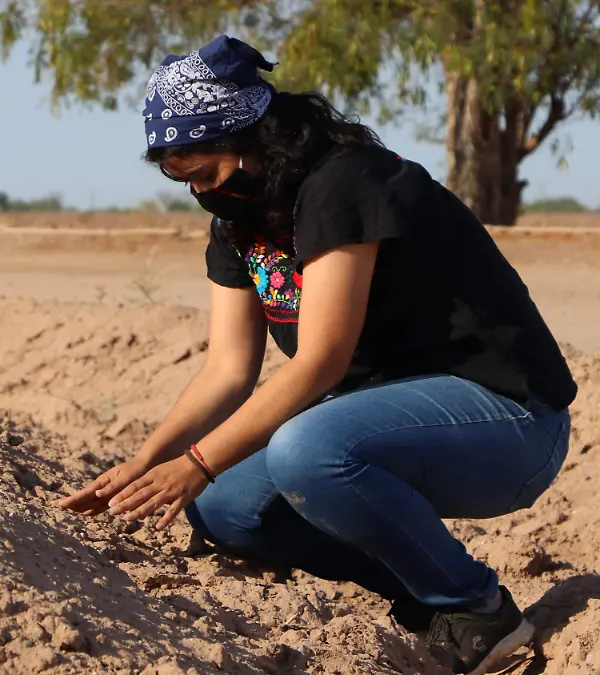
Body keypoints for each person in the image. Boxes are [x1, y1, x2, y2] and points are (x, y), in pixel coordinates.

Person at [55, 34, 576, 675]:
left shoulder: (345, 184)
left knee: (308, 450)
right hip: (389, 418)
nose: (198, 193)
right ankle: (421, 599)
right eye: (176, 174)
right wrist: (147, 463)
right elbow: (227, 369)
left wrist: (197, 459)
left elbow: (321, 362)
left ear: (250, 138)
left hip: (509, 418)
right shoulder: (237, 223)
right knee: (223, 505)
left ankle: (477, 607)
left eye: (203, 171)